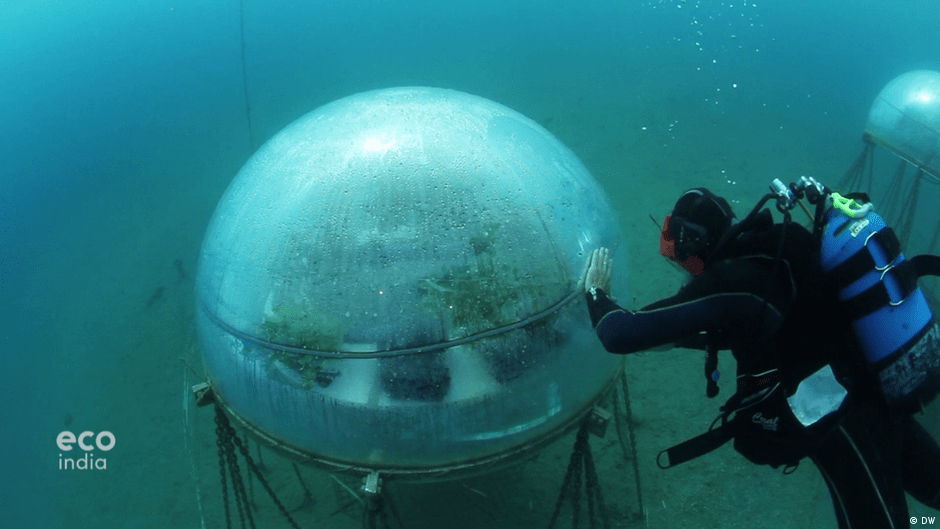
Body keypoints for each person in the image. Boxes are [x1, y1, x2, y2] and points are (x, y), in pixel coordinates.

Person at [582, 187, 940, 528]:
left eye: (680, 250)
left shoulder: (737, 279)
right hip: (873, 387)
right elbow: (761, 321)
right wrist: (676, 338)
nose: (682, 263)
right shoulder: (773, 252)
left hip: (842, 421)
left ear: (695, 242)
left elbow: (619, 335)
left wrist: (596, 293)